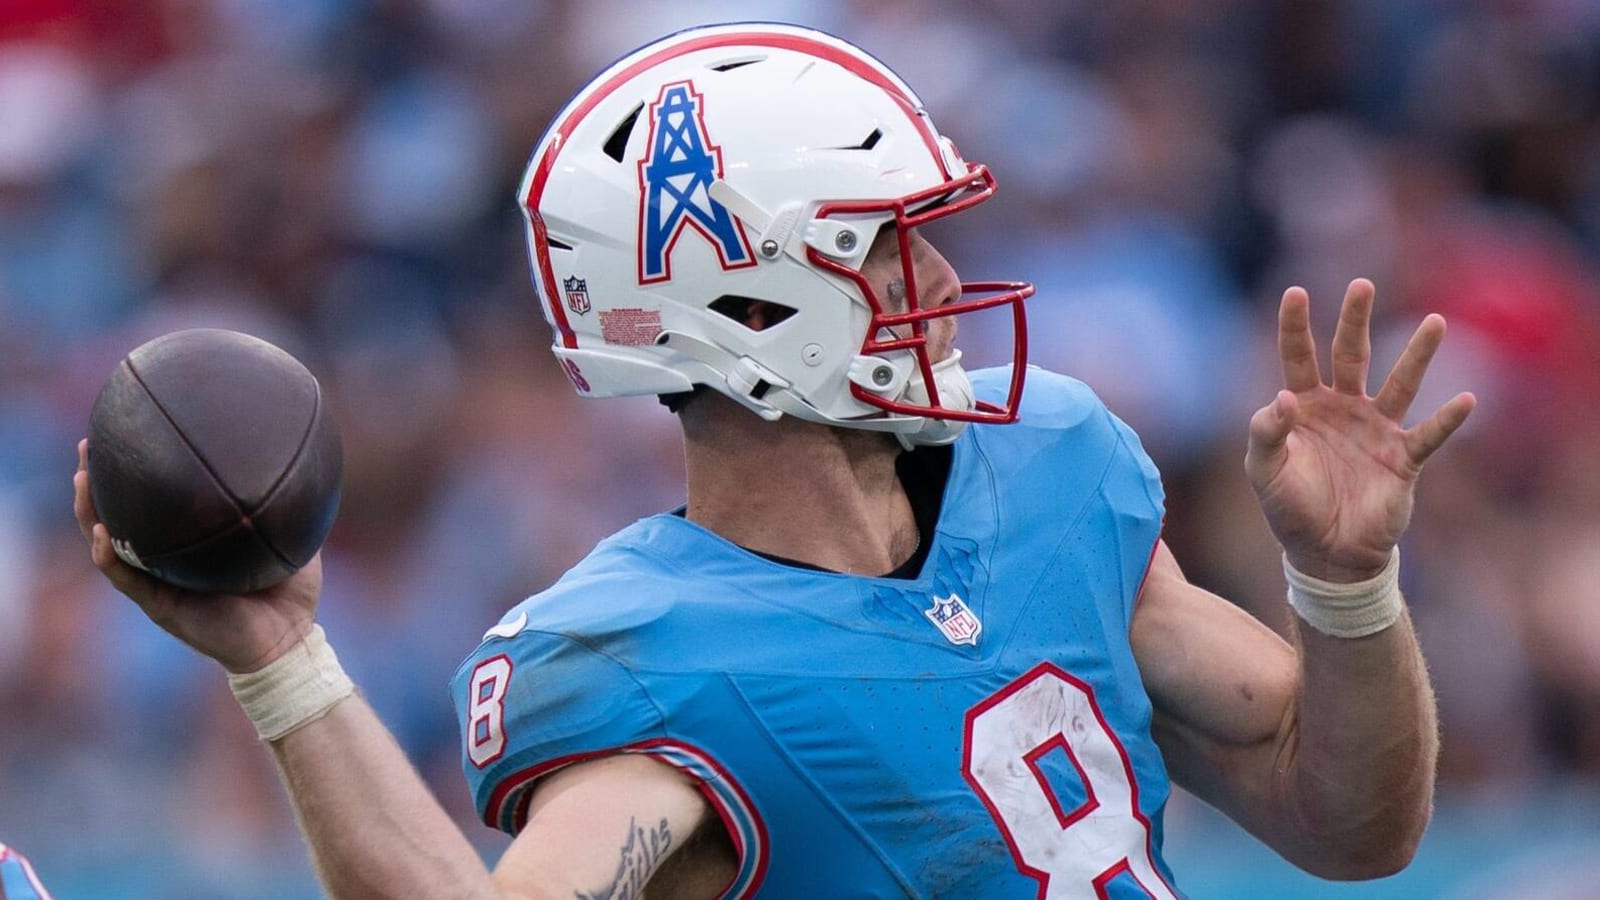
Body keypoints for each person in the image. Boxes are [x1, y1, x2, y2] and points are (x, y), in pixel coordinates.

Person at [74, 22, 1476, 899]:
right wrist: (284, 665)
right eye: (881, 239)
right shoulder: (657, 659)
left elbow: (1351, 824)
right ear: (741, 308)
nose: (937, 269)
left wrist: (1343, 587)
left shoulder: (1051, 467)